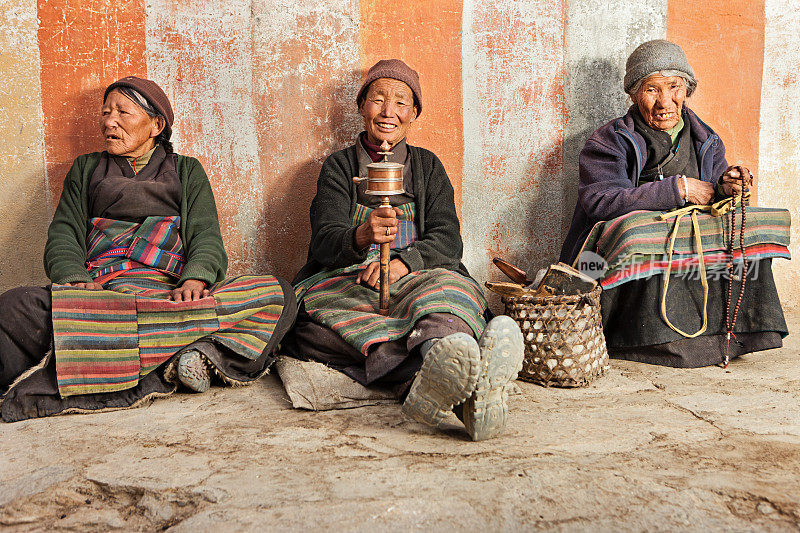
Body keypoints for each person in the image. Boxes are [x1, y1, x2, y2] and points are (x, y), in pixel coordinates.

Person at [0, 76, 297, 422]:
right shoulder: (86, 169)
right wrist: (75, 280)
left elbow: (205, 236)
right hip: (103, 296)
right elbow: (64, 232)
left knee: (278, 294)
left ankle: (134, 350)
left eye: (122, 112)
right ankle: (179, 353)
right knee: (13, 307)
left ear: (156, 124)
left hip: (167, 296)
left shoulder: (187, 170)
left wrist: (195, 281)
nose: (109, 121)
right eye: (106, 112)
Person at [284, 59, 523, 441]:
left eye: (400, 102)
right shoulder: (339, 167)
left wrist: (402, 263)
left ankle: (439, 361)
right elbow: (324, 240)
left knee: (446, 300)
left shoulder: (428, 167)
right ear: (362, 106)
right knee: (311, 326)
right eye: (378, 99)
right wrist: (360, 237)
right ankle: (459, 386)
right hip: (350, 278)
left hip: (418, 276)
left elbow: (447, 238)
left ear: (413, 113)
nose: (388, 112)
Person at [560, 40, 788, 367]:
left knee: (748, 224)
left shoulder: (704, 139)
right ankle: (649, 340)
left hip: (690, 248)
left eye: (674, 87)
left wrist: (726, 187)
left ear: (687, 89)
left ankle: (736, 332)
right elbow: (600, 202)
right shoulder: (608, 141)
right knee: (637, 233)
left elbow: (710, 194)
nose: (665, 102)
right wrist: (678, 189)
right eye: (652, 90)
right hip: (622, 255)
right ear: (634, 94)